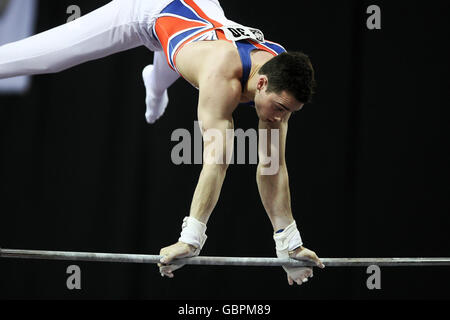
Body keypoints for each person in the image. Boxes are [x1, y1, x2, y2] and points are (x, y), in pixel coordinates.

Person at [0, 0, 324, 285]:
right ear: (262, 82)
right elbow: (217, 161)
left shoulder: (281, 73)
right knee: (48, 58)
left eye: (289, 112)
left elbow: (272, 166)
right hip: (144, 12)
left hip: (200, 16)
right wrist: (190, 240)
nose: (280, 118)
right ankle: (154, 86)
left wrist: (289, 244)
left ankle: (155, 86)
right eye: (280, 109)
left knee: (173, 57)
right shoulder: (220, 76)